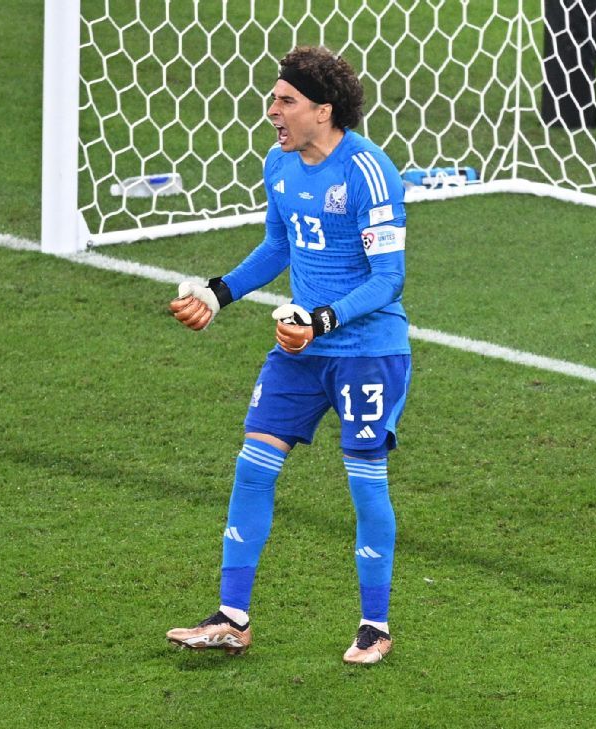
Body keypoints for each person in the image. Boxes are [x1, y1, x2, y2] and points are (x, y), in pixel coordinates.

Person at [165, 47, 410, 665]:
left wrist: (320, 319)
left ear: (323, 111)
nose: (272, 110)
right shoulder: (279, 164)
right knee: (253, 466)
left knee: (364, 483)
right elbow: (279, 244)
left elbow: (388, 279)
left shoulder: (368, 171)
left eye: (285, 101)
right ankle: (232, 618)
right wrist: (218, 294)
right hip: (299, 350)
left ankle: (375, 626)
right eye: (274, 98)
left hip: (366, 352)